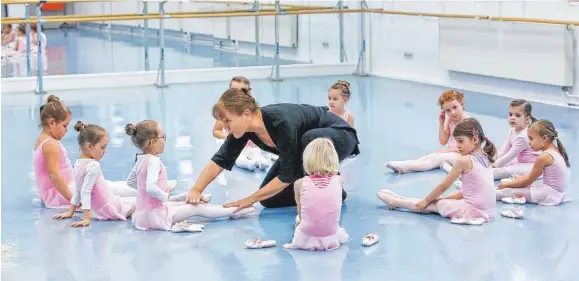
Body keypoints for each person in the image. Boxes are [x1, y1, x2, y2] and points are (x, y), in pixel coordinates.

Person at [186, 87, 361, 210]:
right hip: (306, 149)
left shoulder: (281, 121)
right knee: (269, 200)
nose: (224, 127)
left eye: (227, 121)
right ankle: (331, 192)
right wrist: (196, 189)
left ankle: (327, 188)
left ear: (246, 114)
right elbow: (220, 160)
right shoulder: (245, 129)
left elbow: (288, 173)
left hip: (340, 136)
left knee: (310, 139)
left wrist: (250, 199)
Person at [125, 120, 255, 231]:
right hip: (155, 216)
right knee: (196, 208)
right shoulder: (154, 161)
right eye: (162, 137)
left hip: (143, 214)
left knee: (184, 204)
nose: (165, 140)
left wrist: (148, 194)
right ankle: (232, 212)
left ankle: (217, 206)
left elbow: (130, 182)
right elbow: (150, 188)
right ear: (151, 143)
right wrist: (165, 195)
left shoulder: (141, 159)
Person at [378, 118, 497, 225]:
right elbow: (472, 190)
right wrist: (446, 198)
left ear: (475, 139)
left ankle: (396, 202)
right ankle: (400, 198)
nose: (458, 146)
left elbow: (443, 186)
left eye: (461, 141)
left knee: (431, 205)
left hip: (473, 209)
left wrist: (426, 200)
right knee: (439, 200)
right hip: (488, 209)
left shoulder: (464, 160)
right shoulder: (487, 156)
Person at [53, 121, 137, 227]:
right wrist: (86, 218)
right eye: (102, 147)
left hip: (97, 210)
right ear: (89, 146)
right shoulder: (93, 165)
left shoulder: (78, 163)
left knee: (128, 199)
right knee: (143, 201)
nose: (105, 151)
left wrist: (71, 211)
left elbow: (78, 190)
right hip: (110, 208)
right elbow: (85, 191)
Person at [283, 138, 349, 251]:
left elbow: (301, 211)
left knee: (298, 222)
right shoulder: (339, 180)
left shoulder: (299, 184)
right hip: (331, 236)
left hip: (306, 238)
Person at [385, 90, 469, 173]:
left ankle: (405, 167)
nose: (452, 112)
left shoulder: (467, 122)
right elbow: (443, 141)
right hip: (451, 153)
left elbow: (467, 149)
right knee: (431, 156)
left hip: (462, 156)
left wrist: (447, 151)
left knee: (436, 158)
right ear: (444, 111)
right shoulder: (450, 120)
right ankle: (403, 164)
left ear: (461, 104)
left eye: (455, 107)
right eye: (448, 110)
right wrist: (441, 123)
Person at [496, 119, 570, 206]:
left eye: (531, 139)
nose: (529, 143)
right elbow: (532, 175)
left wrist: (509, 184)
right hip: (555, 192)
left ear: (545, 138)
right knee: (513, 187)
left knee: (506, 191)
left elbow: (528, 180)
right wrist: (516, 181)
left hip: (547, 193)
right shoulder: (555, 151)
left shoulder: (544, 157)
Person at [32, 95, 74, 208]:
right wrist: (72, 199)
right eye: (64, 125)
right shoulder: (51, 144)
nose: (67, 129)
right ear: (52, 123)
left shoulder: (41, 140)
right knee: (102, 191)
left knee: (103, 187)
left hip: (55, 193)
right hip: (60, 195)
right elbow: (54, 175)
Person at [492, 99, 539, 180]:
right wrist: (492, 160)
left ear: (527, 119)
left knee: (499, 171)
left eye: (517, 115)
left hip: (531, 166)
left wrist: (493, 165)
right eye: (510, 114)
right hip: (520, 162)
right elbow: (504, 150)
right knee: (497, 161)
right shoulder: (512, 130)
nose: (512, 118)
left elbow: (510, 155)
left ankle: (480, 175)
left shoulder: (524, 136)